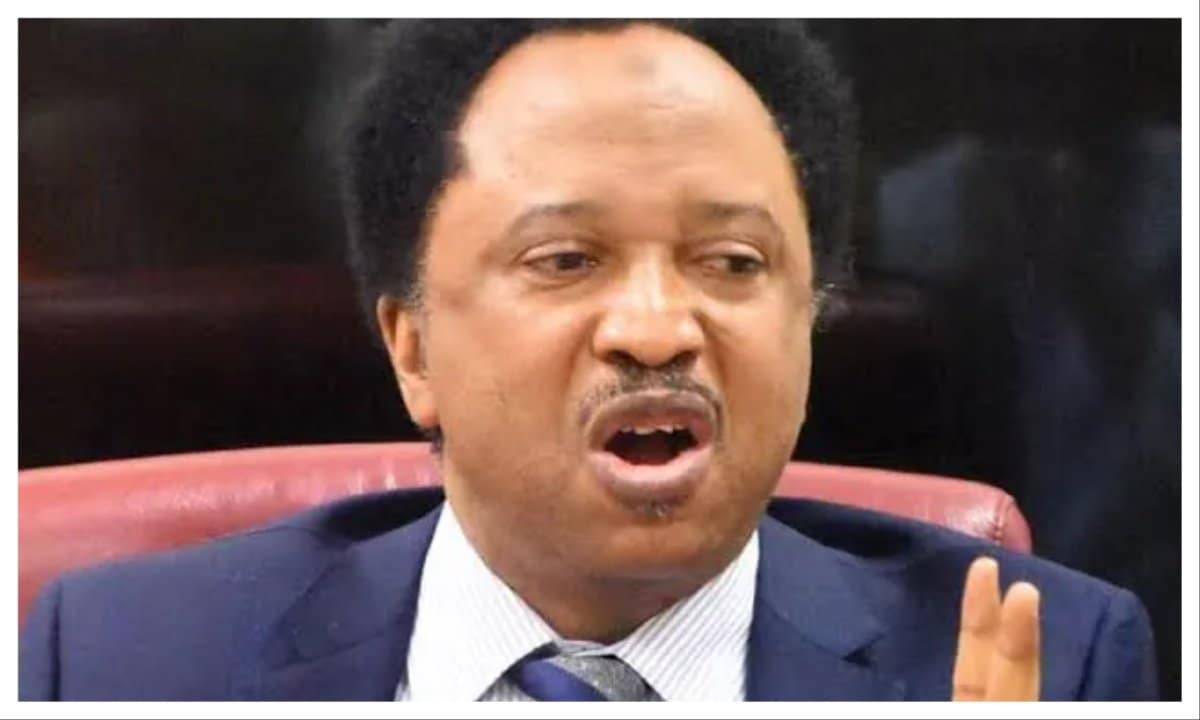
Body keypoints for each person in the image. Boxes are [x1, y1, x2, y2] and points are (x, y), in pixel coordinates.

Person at [19, 19, 1157, 701]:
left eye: (731, 262)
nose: (658, 329)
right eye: (566, 260)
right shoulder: (127, 662)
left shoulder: (1051, 665)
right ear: (413, 349)